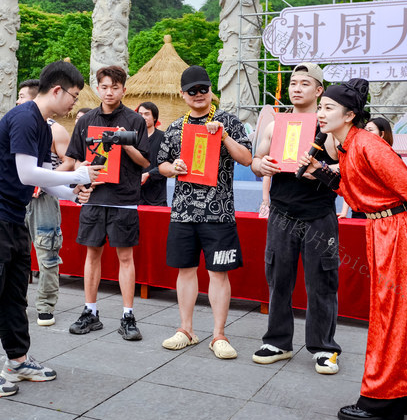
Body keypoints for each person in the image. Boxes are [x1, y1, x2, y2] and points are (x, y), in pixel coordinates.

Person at [304, 78, 407, 420]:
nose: (321, 113)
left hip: (398, 233)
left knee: (393, 314)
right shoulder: (350, 146)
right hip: (384, 230)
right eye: (322, 107)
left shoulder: (369, 145)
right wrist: (323, 175)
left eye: (328, 108)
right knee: (398, 312)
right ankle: (405, 394)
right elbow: (359, 192)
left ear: (350, 114)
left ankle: (379, 401)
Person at [0, 61, 100, 397]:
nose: (74, 103)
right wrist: (75, 176)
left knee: (13, 292)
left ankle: (18, 360)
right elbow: (27, 173)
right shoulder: (25, 117)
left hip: (11, 216)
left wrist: (74, 193)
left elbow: (43, 178)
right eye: (73, 96)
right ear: (56, 90)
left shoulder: (42, 125)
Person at [249, 63, 341, 374]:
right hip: (282, 212)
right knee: (279, 278)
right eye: (293, 82)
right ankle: (278, 342)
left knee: (322, 281)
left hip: (319, 215)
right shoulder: (277, 125)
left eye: (305, 83)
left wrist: (321, 167)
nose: (296, 87)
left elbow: (347, 168)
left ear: (318, 91)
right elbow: (256, 160)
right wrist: (262, 166)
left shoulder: (329, 127)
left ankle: (323, 347)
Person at [157, 65, 253, 359]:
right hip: (183, 212)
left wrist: (223, 137)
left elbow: (247, 158)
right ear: (183, 95)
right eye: (192, 91)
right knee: (185, 271)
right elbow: (161, 164)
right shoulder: (175, 127)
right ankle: (186, 329)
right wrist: (172, 168)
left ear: (212, 90)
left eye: (204, 89)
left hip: (219, 213)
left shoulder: (228, 121)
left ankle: (219, 335)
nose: (199, 95)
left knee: (218, 273)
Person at [65, 65, 150, 341]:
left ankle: (128, 315)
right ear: (98, 88)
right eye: (104, 86)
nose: (110, 91)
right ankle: (91, 311)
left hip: (124, 198)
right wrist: (84, 176)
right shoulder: (86, 120)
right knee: (92, 254)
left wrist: (126, 144)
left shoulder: (134, 121)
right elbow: (76, 159)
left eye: (115, 87)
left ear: (124, 89)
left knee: (126, 257)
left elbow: (146, 162)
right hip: (94, 196)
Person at [16, 79, 73, 327]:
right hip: (18, 197)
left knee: (47, 253)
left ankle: (45, 305)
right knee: (16, 254)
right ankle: (18, 304)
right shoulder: (18, 124)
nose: (17, 101)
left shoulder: (56, 129)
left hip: (45, 198)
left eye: (21, 96)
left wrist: (45, 180)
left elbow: (70, 161)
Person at [339, 117, 393, 219]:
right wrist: (344, 212)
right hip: (361, 212)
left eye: (370, 130)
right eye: (365, 130)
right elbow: (351, 185)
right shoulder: (357, 157)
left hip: (384, 215)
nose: (365, 134)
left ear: (382, 134)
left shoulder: (392, 158)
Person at [137, 101, 168, 207]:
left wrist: (149, 174)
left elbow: (169, 164)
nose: (143, 117)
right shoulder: (132, 139)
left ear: (154, 117)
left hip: (156, 196)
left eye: (146, 114)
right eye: (140, 114)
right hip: (135, 196)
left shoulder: (164, 137)